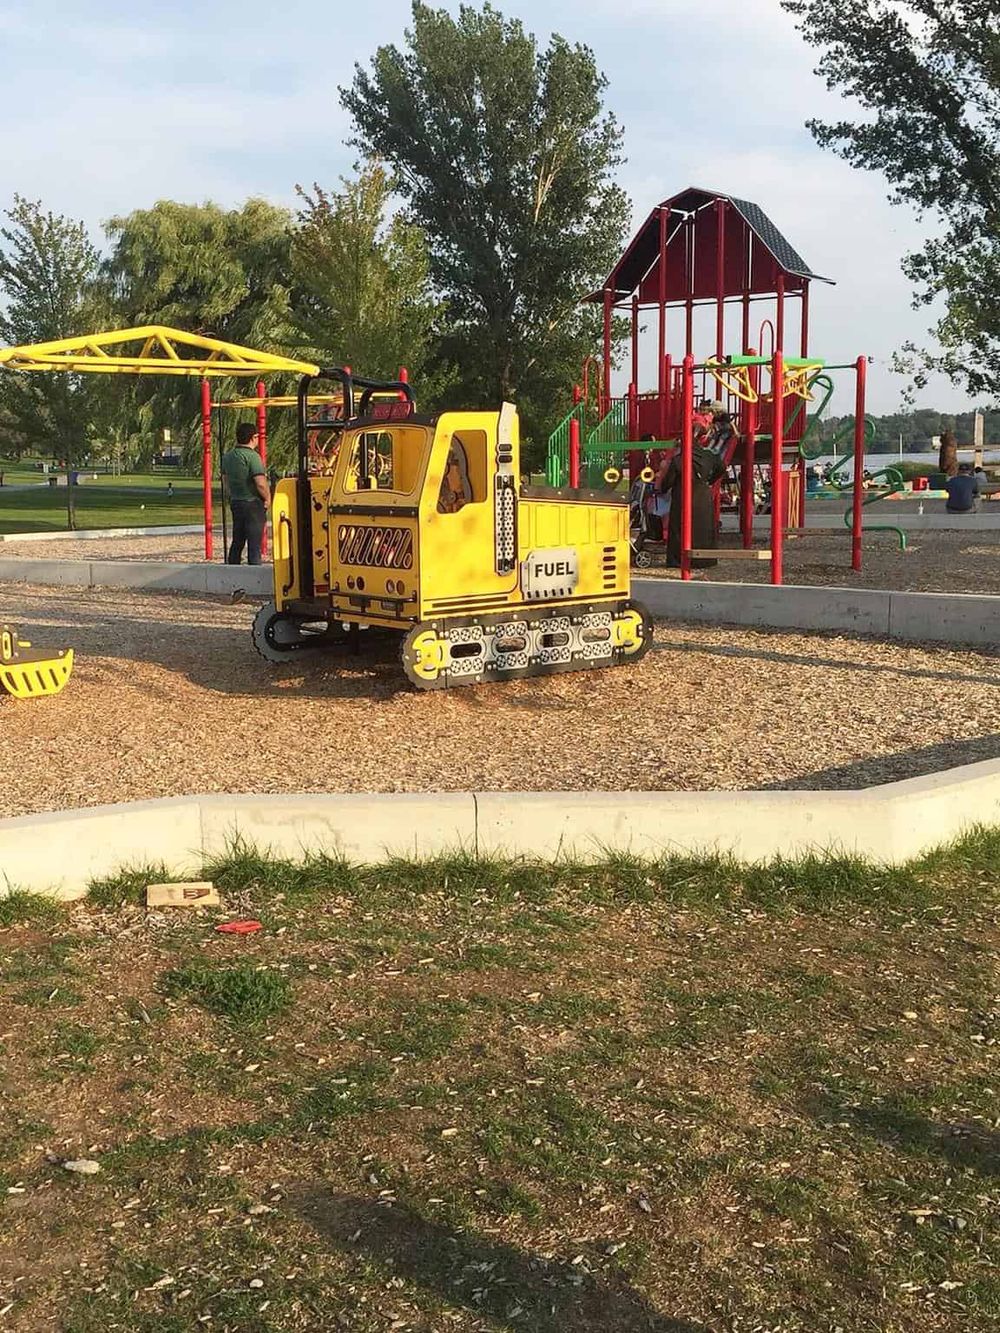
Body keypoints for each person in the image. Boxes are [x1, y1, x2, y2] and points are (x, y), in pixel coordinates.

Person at [660, 442, 726, 568]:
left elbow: (668, 481)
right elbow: (722, 467)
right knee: (705, 527)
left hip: (683, 497)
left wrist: (662, 488)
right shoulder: (709, 456)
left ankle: (678, 559)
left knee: (680, 528)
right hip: (703, 496)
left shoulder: (679, 460)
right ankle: (707, 559)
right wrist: (710, 480)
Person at [222, 422, 271, 565]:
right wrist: (267, 498)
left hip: (236, 501)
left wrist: (232, 495)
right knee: (254, 544)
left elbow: (226, 481)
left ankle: (232, 570)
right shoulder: (253, 457)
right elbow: (260, 483)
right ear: (253, 437)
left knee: (238, 541)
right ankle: (254, 573)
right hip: (253, 503)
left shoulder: (228, 457)